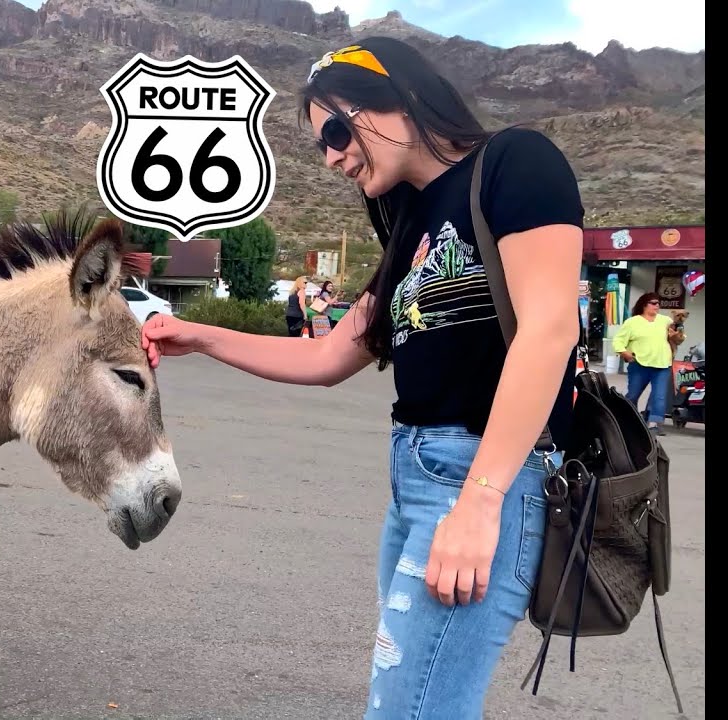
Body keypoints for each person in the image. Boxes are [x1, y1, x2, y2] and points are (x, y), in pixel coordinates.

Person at [139, 37, 583, 719]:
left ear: (398, 99)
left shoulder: (516, 164)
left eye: (338, 131)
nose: (332, 156)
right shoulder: (408, 223)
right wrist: (196, 334)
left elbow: (548, 331)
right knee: (407, 701)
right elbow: (326, 357)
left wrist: (479, 502)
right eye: (322, 145)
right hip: (413, 486)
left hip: (482, 478)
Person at [613, 292, 674, 434]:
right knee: (633, 394)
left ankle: (653, 423)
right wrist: (624, 352)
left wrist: (678, 336)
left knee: (659, 395)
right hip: (639, 364)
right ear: (644, 304)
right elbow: (618, 340)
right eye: (653, 303)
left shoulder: (665, 320)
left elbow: (677, 336)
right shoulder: (632, 322)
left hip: (662, 364)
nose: (657, 306)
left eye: (658, 303)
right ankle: (626, 418)